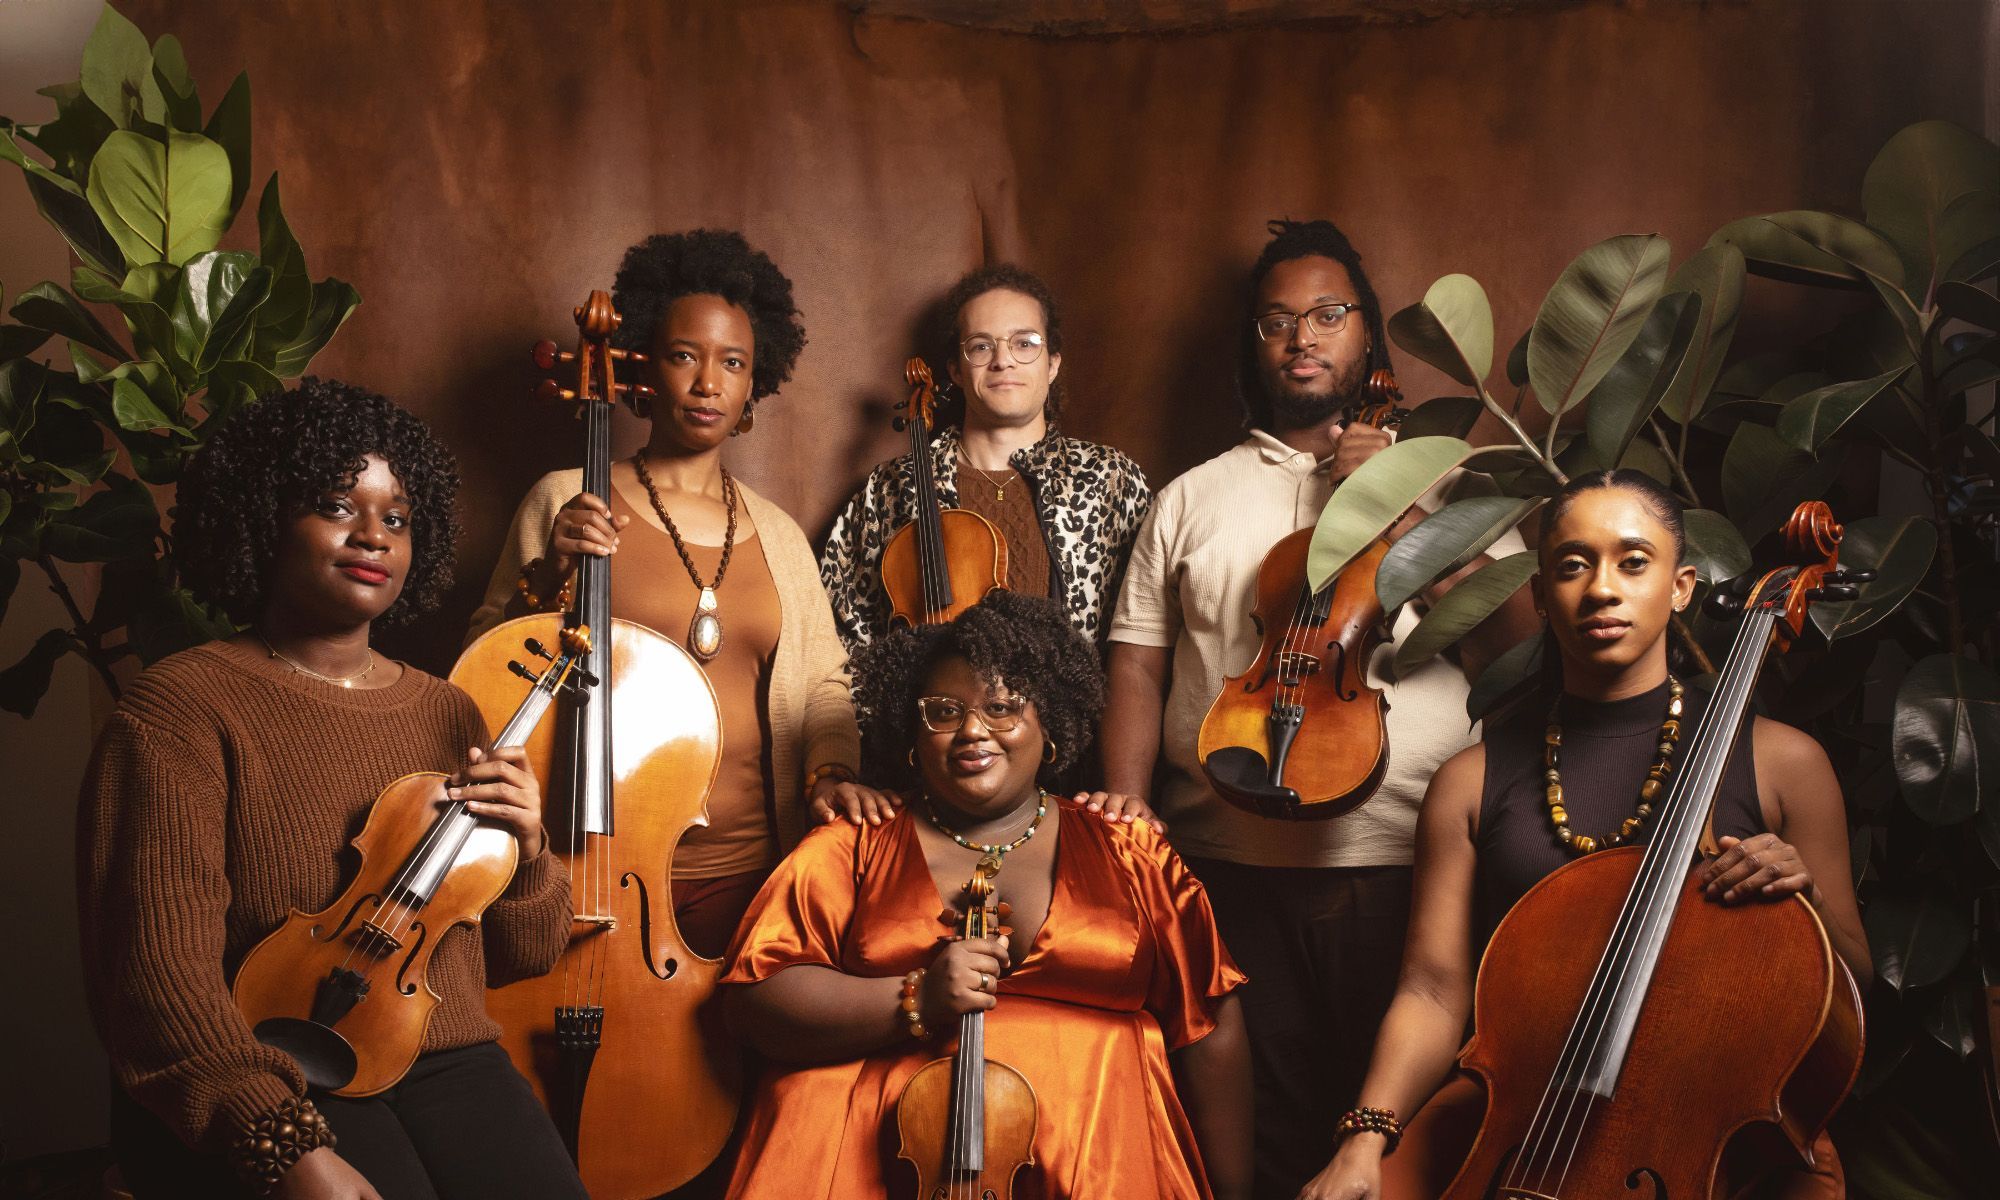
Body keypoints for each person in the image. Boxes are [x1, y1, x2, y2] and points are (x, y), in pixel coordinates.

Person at [1102, 218, 1540, 1199]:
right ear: (1252, 347)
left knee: (1407, 1150)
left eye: (1327, 314)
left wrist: (1408, 516)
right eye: (1276, 321)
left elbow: (1513, 652)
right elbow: (1135, 664)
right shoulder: (1190, 497)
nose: (1301, 336)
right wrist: (1129, 802)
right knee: (1260, 1150)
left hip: (1407, 876)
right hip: (1225, 871)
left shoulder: (1454, 483)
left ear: (1368, 340)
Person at [1295, 469, 1872, 1200]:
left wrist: (1806, 900)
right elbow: (1434, 991)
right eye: (1572, 565)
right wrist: (1363, 1140)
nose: (1602, 588)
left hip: (1712, 1139)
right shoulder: (1470, 781)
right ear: (1540, 597)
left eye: (1634, 562)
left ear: (1682, 585)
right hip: (1526, 1127)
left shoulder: (1786, 764)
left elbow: (1855, 984)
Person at [76, 379, 585, 1200]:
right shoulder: (180, 707)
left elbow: (522, 958)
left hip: (441, 1057)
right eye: (335, 505)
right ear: (264, 516)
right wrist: (280, 1142)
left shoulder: (449, 708)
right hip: (267, 1054)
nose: (372, 536)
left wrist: (529, 854)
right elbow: (154, 975)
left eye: (396, 516)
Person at [717, 592, 1252, 1199]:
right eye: (943, 711)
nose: (973, 729)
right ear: (911, 735)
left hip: (1101, 1165)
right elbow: (755, 998)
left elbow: (1210, 1025)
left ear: (1049, 725)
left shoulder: (1129, 849)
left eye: (1003, 708)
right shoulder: (854, 842)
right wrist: (913, 998)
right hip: (883, 1169)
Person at [469, 228, 895, 962]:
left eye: (733, 363)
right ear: (640, 363)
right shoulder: (569, 501)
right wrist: (546, 581)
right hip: (597, 858)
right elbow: (483, 665)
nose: (708, 384)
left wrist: (830, 771)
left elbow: (826, 679)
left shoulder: (782, 536)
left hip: (755, 873)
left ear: (755, 381)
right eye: (683, 356)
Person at [819, 263, 1152, 655]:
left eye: (1024, 343)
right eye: (981, 345)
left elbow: (1145, 643)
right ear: (957, 371)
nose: (1003, 360)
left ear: (1054, 364)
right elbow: (838, 642)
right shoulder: (891, 488)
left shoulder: (1111, 479)